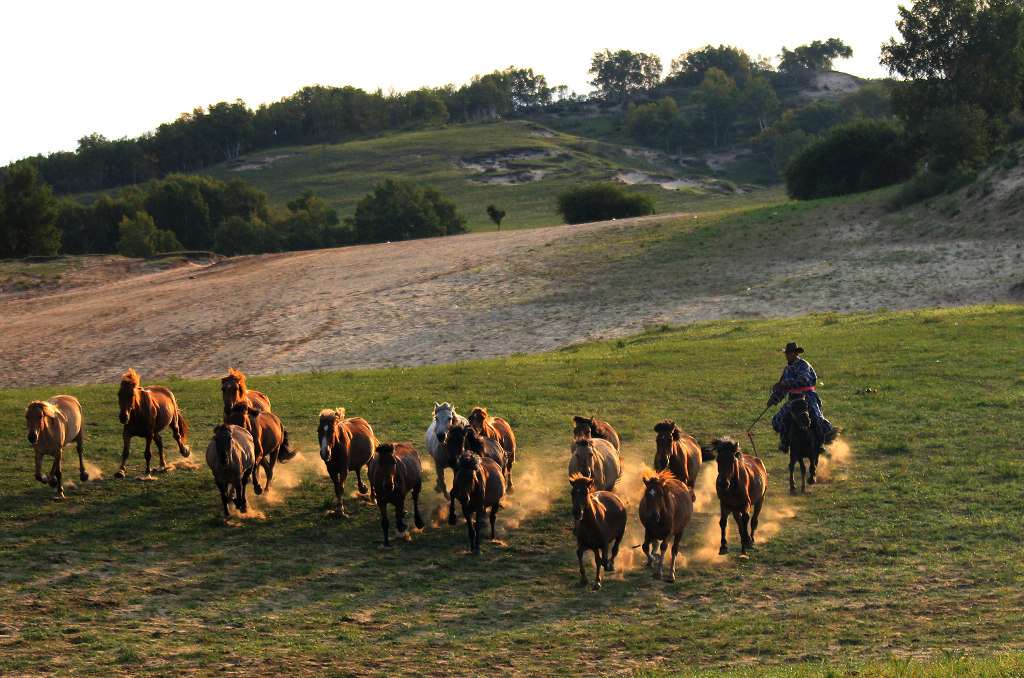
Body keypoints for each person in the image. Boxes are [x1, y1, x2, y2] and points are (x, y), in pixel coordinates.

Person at [768, 342, 840, 454]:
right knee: (780, 417)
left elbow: (804, 380)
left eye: (790, 353)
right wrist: (773, 399)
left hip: (807, 395)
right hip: (793, 397)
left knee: (817, 416)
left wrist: (786, 383)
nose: (788, 355)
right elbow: (783, 388)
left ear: (796, 354)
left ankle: (820, 442)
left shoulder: (803, 365)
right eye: (787, 353)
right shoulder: (787, 369)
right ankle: (785, 442)